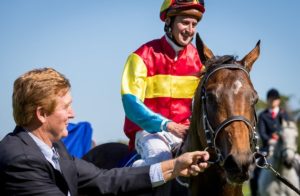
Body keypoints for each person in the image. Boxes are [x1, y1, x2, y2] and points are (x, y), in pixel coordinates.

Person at [0, 68, 210, 196]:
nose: (72, 114)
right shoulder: (20, 159)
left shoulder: (55, 150)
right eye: (65, 107)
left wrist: (175, 166)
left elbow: (105, 179)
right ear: (42, 113)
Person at [121, 0, 205, 167]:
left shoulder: (200, 62)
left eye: (194, 24)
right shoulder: (140, 57)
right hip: (150, 131)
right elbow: (131, 104)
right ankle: (129, 177)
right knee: (161, 160)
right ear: (169, 21)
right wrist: (167, 125)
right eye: (184, 22)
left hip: (187, 132)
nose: (190, 30)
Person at [250, 88, 290, 196]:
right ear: (268, 100)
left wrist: (280, 138)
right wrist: (270, 139)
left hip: (283, 147)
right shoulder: (263, 116)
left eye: (275, 99)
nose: (273, 101)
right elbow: (262, 133)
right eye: (271, 99)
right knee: (256, 170)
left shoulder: (284, 114)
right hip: (267, 148)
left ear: (278, 101)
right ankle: (255, 191)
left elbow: (288, 130)